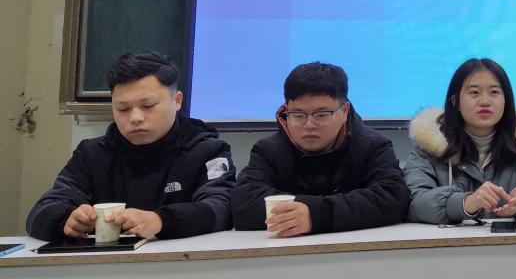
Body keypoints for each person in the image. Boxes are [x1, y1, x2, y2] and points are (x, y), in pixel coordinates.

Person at [26, 52, 235, 241]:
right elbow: (40, 213)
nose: (135, 118)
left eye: (148, 106)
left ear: (177, 101)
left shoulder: (206, 150)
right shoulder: (92, 154)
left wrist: (161, 221)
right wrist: (66, 220)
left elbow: (222, 208)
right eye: (123, 109)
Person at [231, 62, 409, 236]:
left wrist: (316, 214)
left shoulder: (372, 146)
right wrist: (310, 211)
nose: (309, 125)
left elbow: (393, 197)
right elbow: (243, 204)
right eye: (298, 115)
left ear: (344, 111)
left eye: (321, 115)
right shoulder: (268, 151)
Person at [404, 58, 516, 224]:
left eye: (494, 92)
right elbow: (414, 203)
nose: (485, 101)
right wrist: (466, 203)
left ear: (506, 101)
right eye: (474, 92)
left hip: (509, 240)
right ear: (455, 102)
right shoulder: (429, 145)